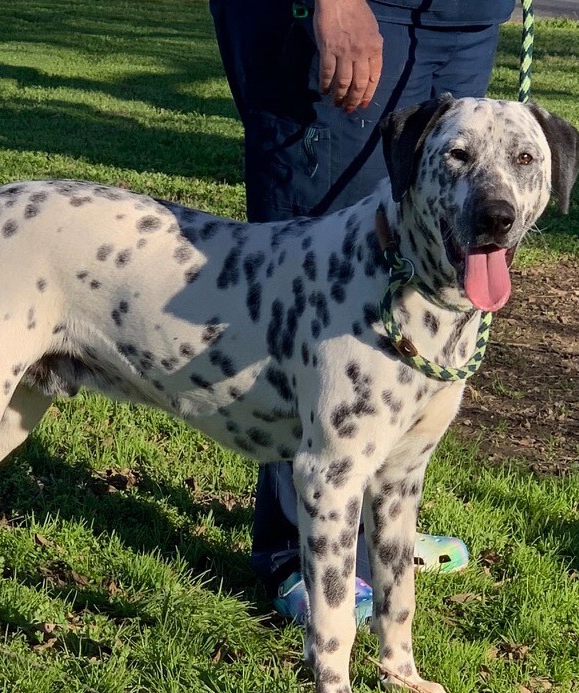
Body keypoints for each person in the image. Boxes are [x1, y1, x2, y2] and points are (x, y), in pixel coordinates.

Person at [210, 0, 515, 624]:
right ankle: (300, 552)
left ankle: (379, 523)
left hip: (460, 18)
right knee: (320, 300)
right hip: (351, 12)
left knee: (431, 235)